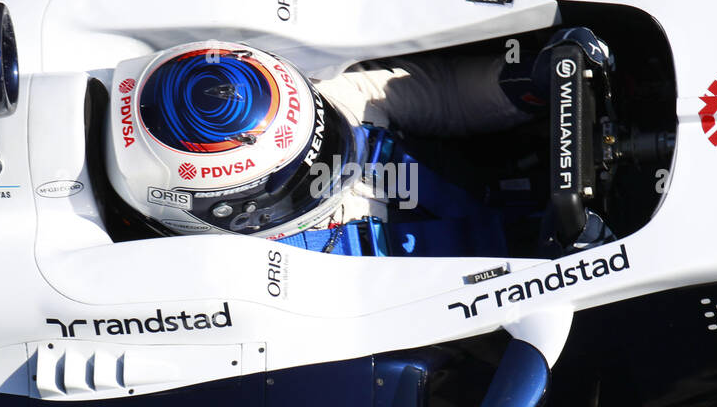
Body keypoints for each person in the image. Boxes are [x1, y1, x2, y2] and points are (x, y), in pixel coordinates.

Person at [104, 28, 613, 247]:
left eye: (320, 136)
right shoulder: (263, 283)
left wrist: (529, 85)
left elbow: (435, 95)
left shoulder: (309, 111)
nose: (332, 163)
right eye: (296, 177)